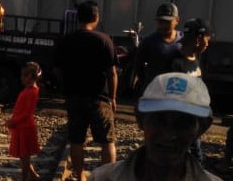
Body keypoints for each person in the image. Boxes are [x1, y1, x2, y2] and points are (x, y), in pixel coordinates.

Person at [89, 72, 221, 181]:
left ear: (201, 128)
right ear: (140, 120)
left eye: (183, 123)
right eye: (159, 120)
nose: (168, 134)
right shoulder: (102, 178)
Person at [55, 0, 118, 181]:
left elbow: (58, 70)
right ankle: (106, 177)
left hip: (74, 97)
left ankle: (81, 177)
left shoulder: (66, 41)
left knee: (76, 141)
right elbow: (112, 73)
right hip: (99, 99)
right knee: (107, 141)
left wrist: (67, 86)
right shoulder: (104, 40)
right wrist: (113, 98)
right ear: (96, 18)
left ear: (78, 19)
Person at [171, 18, 211, 162]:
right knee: (191, 160)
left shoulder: (194, 58)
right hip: (182, 124)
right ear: (199, 38)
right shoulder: (177, 62)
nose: (208, 44)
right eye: (207, 39)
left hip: (193, 124)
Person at [133, 2, 182, 95]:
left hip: (176, 94)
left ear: (177, 20)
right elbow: (138, 67)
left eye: (168, 22)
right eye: (160, 22)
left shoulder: (184, 41)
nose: (163, 25)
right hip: (154, 93)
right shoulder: (148, 42)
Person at [5, 61, 42, 181]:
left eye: (25, 76)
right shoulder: (28, 89)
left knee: (25, 156)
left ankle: (24, 178)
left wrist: (13, 121)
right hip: (20, 127)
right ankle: (34, 175)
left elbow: (28, 112)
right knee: (23, 156)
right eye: (22, 75)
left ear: (32, 77)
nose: (22, 78)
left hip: (25, 128)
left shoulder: (33, 91)